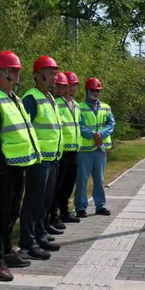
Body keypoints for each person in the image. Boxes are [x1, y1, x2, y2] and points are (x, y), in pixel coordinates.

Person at [0, 51, 40, 281]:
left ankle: (6, 250)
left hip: (18, 166)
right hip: (2, 170)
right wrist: (2, 168)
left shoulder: (13, 98)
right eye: (13, 70)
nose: (17, 74)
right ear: (0, 72)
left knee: (12, 211)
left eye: (17, 70)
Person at [19, 56, 64, 260]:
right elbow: (26, 130)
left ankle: (40, 235)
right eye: (50, 73)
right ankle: (27, 244)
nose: (54, 77)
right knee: (33, 202)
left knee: (44, 201)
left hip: (52, 159)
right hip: (38, 161)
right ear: (37, 76)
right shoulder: (31, 98)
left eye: (55, 73)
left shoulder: (50, 98)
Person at [74, 78, 115, 217]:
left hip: (100, 149)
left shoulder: (106, 107)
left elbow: (111, 124)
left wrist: (101, 134)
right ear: (87, 91)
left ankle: (100, 205)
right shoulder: (79, 107)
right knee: (82, 179)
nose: (95, 93)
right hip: (85, 150)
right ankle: (80, 207)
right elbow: (78, 125)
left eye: (97, 91)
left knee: (99, 179)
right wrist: (92, 134)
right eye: (92, 90)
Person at [50, 71, 82, 226]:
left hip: (74, 151)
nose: (73, 88)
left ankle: (64, 211)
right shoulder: (57, 103)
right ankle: (53, 214)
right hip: (62, 151)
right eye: (70, 85)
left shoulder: (77, 106)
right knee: (58, 185)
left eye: (75, 85)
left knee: (69, 184)